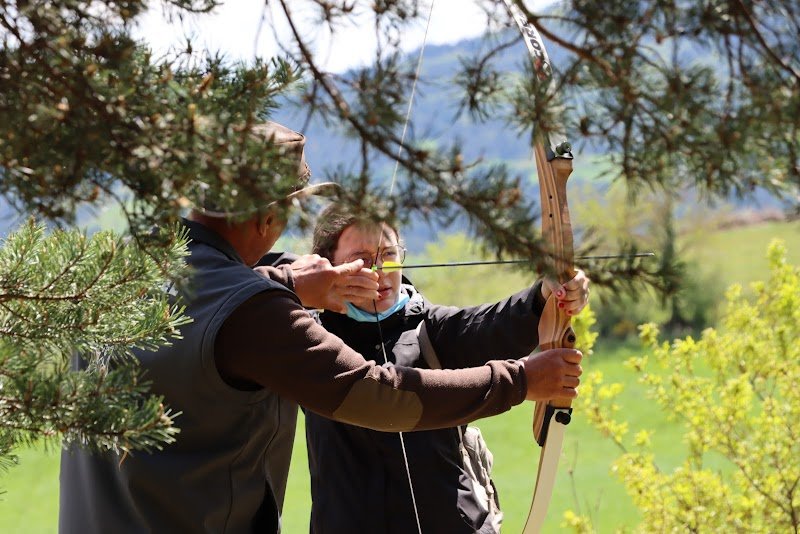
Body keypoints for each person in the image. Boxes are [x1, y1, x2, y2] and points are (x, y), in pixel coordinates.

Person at [59, 121, 584, 534]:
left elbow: (207, 294)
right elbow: (378, 395)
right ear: (267, 218)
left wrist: (284, 280)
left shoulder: (120, 277)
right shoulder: (255, 311)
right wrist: (522, 380)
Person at [303, 205, 590, 534]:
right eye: (362, 259)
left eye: (389, 254)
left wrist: (548, 295)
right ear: (328, 266)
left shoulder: (430, 330)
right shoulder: (309, 338)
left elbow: (492, 325)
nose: (380, 271)